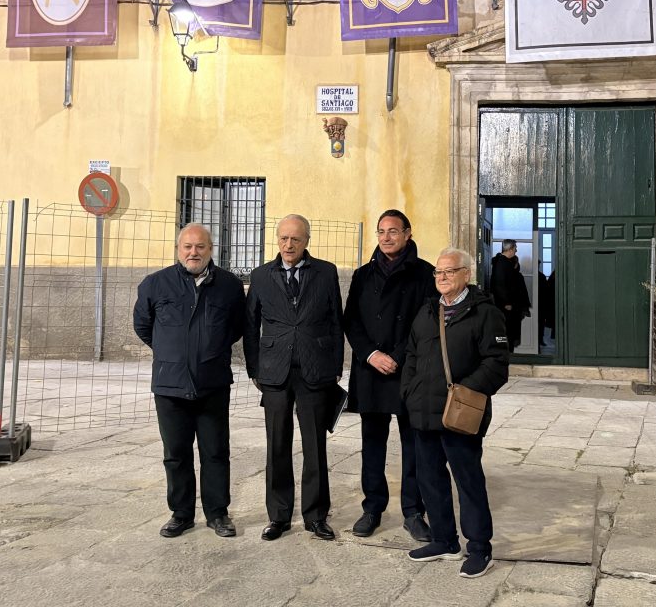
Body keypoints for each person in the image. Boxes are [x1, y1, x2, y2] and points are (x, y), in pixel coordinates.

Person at [401, 248, 509, 579]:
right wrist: (409, 391)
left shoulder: (485, 313)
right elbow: (411, 355)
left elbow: (497, 364)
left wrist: (462, 392)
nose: (442, 277)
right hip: (424, 412)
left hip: (460, 414)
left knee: (468, 481)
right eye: (438, 272)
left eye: (450, 271)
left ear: (466, 274)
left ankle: (479, 548)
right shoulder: (427, 312)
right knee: (430, 479)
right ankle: (444, 541)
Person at [132, 223, 246, 539]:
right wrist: (172, 352)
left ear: (211, 249)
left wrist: (207, 350)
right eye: (188, 246)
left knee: (215, 452)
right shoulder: (155, 284)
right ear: (178, 249)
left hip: (212, 383)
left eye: (200, 246)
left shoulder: (229, 286)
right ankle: (181, 514)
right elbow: (143, 325)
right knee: (176, 454)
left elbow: (236, 327)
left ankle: (218, 513)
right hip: (170, 385)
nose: (193, 252)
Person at [244, 214, 344, 542]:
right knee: (277, 444)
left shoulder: (326, 272)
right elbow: (250, 325)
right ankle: (278, 516)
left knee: (315, 445)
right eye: (284, 238)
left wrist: (335, 366)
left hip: (315, 370)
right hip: (274, 372)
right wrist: (254, 369)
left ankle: (316, 517)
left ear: (306, 242)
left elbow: (335, 320)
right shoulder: (261, 276)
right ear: (277, 240)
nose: (289, 245)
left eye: (296, 239)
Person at [343, 209, 436, 541]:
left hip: (408, 370)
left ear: (408, 234)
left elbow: (426, 323)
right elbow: (351, 320)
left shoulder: (425, 274)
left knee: (414, 444)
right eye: (381, 232)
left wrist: (396, 356)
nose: (386, 237)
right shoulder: (362, 275)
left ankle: (413, 512)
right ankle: (372, 509)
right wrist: (371, 354)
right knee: (372, 443)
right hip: (371, 370)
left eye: (393, 231)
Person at [490, 239, 531, 350]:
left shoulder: (505, 262)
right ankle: (505, 354)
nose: (516, 250)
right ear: (510, 249)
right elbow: (499, 284)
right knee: (506, 333)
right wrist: (506, 302)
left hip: (509, 306)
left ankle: (508, 352)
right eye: (515, 248)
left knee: (509, 334)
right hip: (505, 307)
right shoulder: (502, 263)